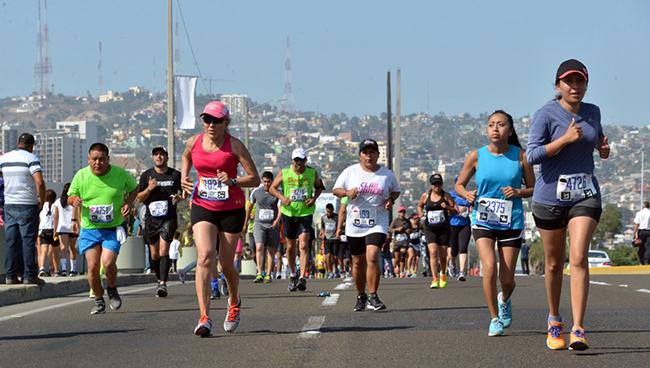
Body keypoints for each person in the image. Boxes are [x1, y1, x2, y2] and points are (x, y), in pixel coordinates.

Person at [526, 59, 609, 350]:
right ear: (558, 85)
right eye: (569, 82)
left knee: (578, 257)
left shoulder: (593, 112)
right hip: (549, 198)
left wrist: (603, 148)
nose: (575, 87)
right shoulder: (545, 114)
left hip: (585, 194)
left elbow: (596, 141)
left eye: (580, 81)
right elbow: (531, 156)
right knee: (552, 263)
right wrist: (562, 140)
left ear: (586, 84)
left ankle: (578, 328)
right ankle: (554, 319)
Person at [181, 100, 260, 337]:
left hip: (231, 208)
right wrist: (184, 178)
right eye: (207, 120)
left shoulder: (235, 146)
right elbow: (186, 157)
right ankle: (204, 317)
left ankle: (234, 301)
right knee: (205, 256)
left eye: (216, 120)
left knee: (226, 264)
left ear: (226, 122)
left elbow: (254, 178)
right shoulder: (193, 142)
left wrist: (233, 180)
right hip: (203, 204)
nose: (211, 125)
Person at [456, 110, 535, 337]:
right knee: (489, 267)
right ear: (486, 129)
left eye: (501, 125)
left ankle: (505, 299)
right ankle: (494, 318)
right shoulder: (476, 156)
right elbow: (460, 184)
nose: (495, 129)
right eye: (491, 125)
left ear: (510, 130)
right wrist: (467, 195)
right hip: (483, 219)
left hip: (511, 219)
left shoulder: (521, 156)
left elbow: (534, 187)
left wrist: (519, 191)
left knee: (507, 279)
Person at [68, 143, 138, 314]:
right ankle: (99, 300)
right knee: (92, 267)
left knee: (107, 263)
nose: (97, 163)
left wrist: (128, 203)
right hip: (90, 229)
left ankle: (112, 288)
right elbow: (70, 196)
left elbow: (135, 188)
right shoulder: (81, 175)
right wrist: (74, 200)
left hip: (113, 228)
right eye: (94, 159)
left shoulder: (120, 175)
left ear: (108, 159)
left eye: (101, 159)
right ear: (89, 159)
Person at [333, 139, 400, 311]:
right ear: (360, 155)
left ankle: (373, 295)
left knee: (372, 255)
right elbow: (336, 190)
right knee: (357, 262)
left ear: (378, 155)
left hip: (377, 221)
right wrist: (347, 192)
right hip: (355, 223)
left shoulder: (387, 174)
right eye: (365, 152)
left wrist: (390, 200)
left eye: (372, 152)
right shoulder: (350, 172)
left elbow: (396, 190)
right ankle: (361, 295)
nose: (369, 156)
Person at [269, 147, 324, 292]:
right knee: (291, 247)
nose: (298, 163)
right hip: (289, 213)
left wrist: (313, 198)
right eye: (296, 160)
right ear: (292, 160)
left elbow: (319, 187)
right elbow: (272, 188)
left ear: (306, 160)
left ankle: (302, 277)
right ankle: (293, 275)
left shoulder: (312, 172)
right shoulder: (285, 172)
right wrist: (282, 198)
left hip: (305, 213)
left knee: (304, 245)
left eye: (301, 160)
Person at [136, 146, 183, 298]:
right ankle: (158, 278)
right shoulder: (146, 175)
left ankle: (163, 283)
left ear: (167, 157)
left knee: (164, 250)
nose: (159, 157)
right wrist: (149, 189)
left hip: (168, 218)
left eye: (162, 154)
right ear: (152, 157)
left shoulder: (175, 175)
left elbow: (184, 193)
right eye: (156, 154)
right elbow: (139, 198)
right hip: (151, 219)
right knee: (154, 253)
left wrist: (180, 198)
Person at [0, 133, 46, 285]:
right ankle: (29, 275)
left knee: (11, 241)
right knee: (28, 240)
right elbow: (39, 182)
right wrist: (41, 201)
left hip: (9, 205)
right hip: (27, 204)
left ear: (18, 142)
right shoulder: (31, 158)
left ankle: (11, 276)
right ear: (31, 146)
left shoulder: (5, 158)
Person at [418, 173, 456, 289]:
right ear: (431, 185)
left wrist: (447, 208)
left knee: (443, 256)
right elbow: (419, 206)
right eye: (434, 184)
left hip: (443, 229)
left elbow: (455, 210)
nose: (437, 186)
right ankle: (434, 279)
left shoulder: (446, 196)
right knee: (433, 253)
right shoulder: (426, 195)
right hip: (430, 228)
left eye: (439, 184)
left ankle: (443, 274)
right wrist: (421, 216)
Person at [245, 171, 281, 283]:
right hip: (259, 224)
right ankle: (260, 273)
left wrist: (277, 220)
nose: (266, 184)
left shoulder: (277, 192)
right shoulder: (256, 192)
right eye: (264, 181)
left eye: (269, 182)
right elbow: (249, 207)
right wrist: (245, 222)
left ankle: (268, 274)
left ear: (272, 181)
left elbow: (281, 208)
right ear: (262, 181)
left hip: (272, 225)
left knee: (271, 250)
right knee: (259, 247)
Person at [54, 183, 80, 277]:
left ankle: (64, 269)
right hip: (73, 227)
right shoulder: (76, 201)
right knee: (72, 248)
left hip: (62, 227)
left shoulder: (58, 201)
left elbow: (55, 217)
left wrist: (55, 230)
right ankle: (73, 270)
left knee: (63, 248)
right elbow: (79, 214)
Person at [449, 178, 472, 281]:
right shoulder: (450, 195)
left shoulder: (468, 194)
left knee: (463, 247)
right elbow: (447, 207)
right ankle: (452, 263)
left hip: (465, 224)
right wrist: (456, 209)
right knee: (454, 250)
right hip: (452, 224)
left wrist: (468, 208)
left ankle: (462, 272)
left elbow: (472, 205)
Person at [37, 189, 58, 277]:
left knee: (43, 251)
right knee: (53, 252)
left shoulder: (41, 206)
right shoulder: (56, 206)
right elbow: (56, 220)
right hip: (52, 230)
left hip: (43, 230)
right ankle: (54, 270)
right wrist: (55, 232)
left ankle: (41, 268)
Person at [320, 203, 339, 278]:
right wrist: (322, 233)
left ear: (333, 211)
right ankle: (330, 271)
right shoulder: (323, 218)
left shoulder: (337, 217)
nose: (329, 213)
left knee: (334, 257)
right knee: (327, 256)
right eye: (327, 211)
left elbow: (339, 225)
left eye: (330, 212)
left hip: (335, 238)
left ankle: (336, 268)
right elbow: (322, 227)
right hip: (327, 239)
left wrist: (338, 233)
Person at [390, 206, 410, 277]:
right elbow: (390, 229)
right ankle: (396, 267)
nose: (402, 213)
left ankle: (401, 272)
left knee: (402, 257)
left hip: (404, 241)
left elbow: (410, 230)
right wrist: (397, 229)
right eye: (401, 212)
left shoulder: (407, 221)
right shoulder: (395, 221)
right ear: (399, 213)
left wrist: (408, 231)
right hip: (397, 242)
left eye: (403, 212)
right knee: (397, 258)